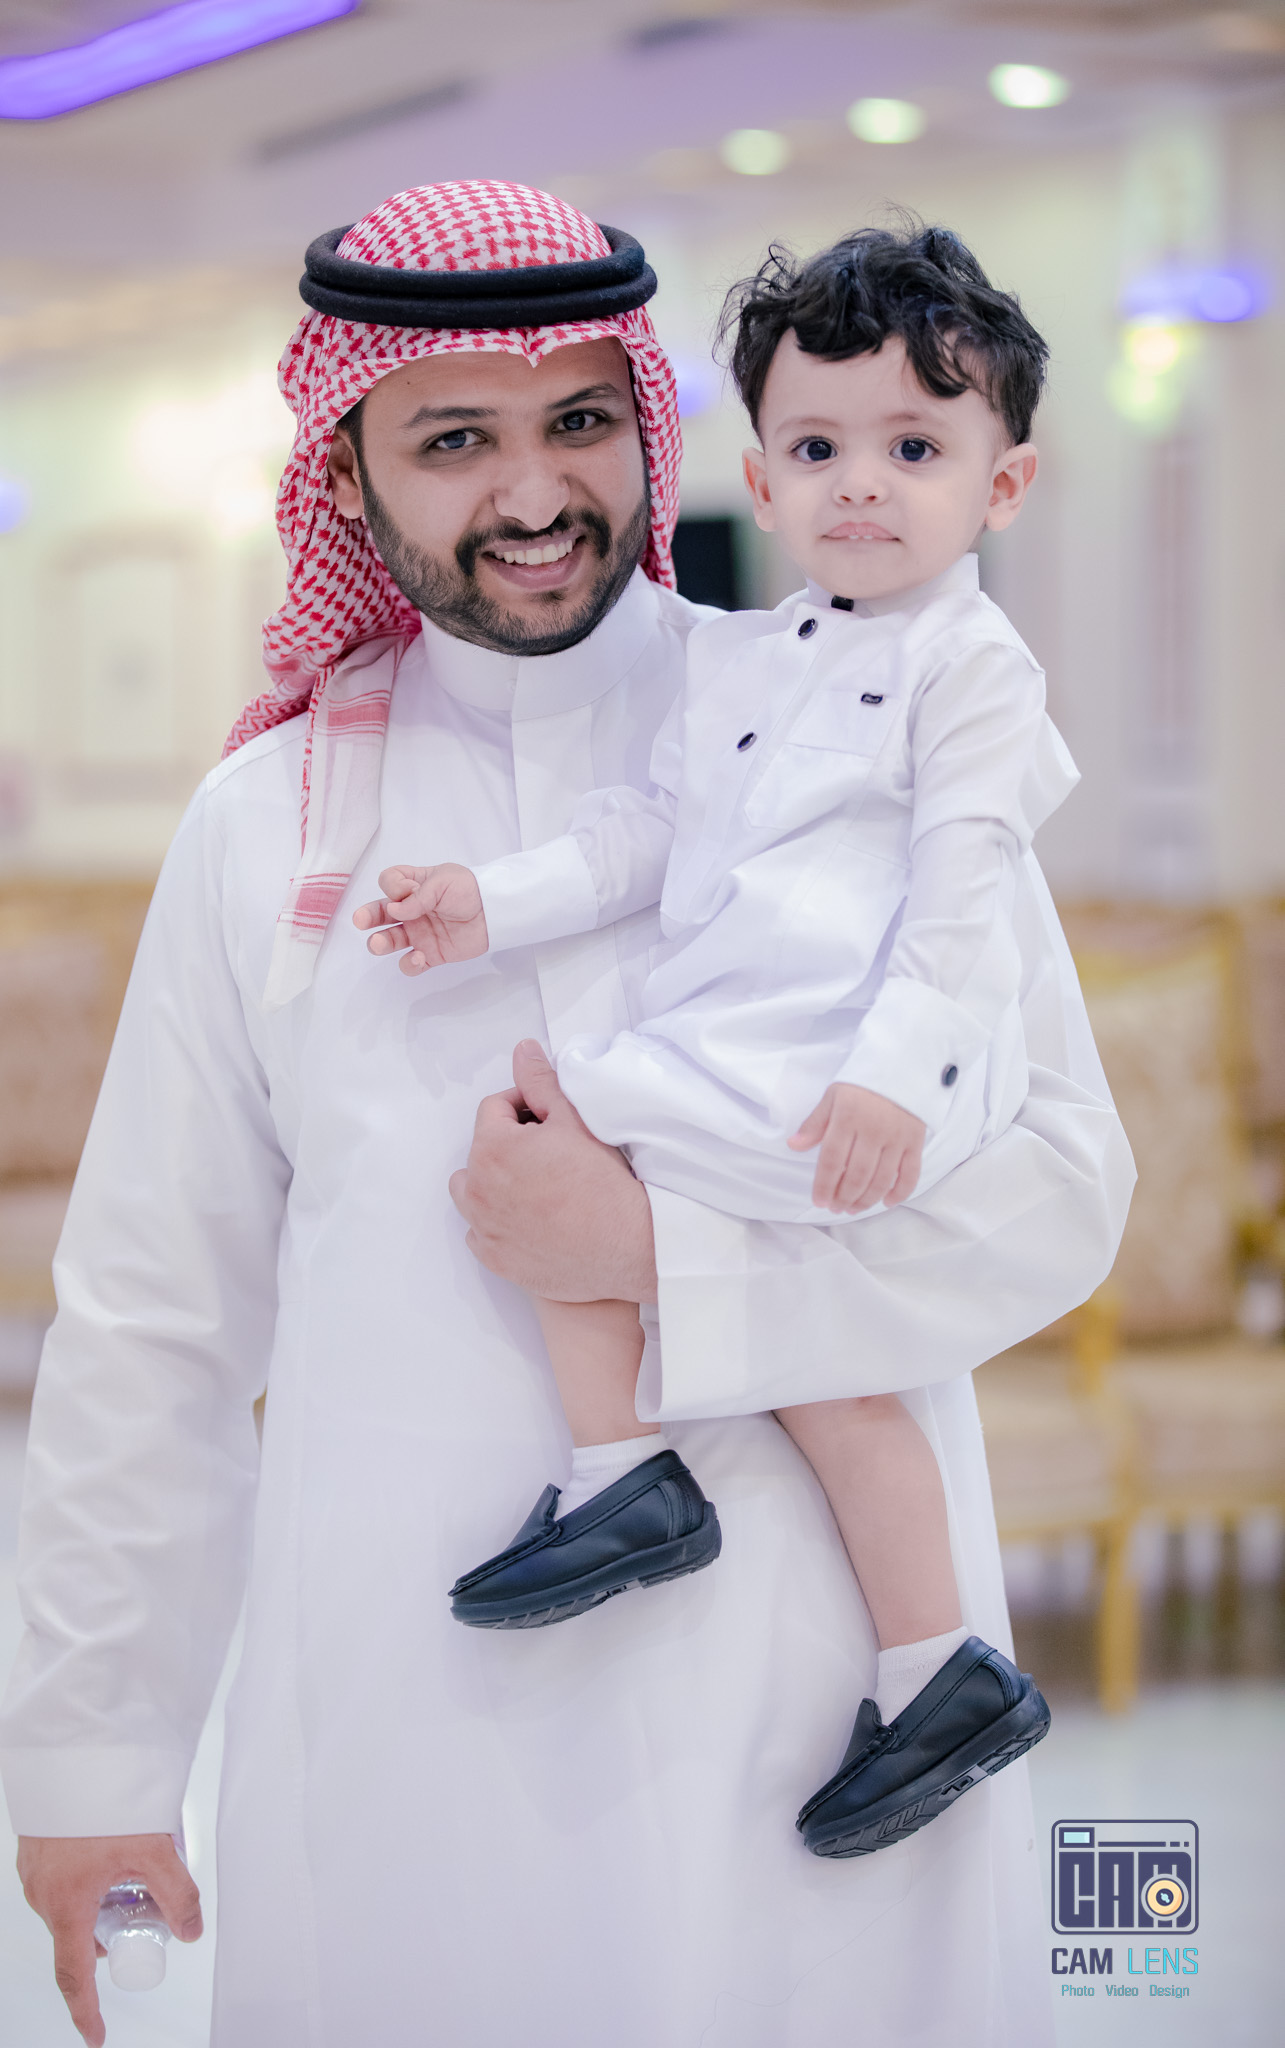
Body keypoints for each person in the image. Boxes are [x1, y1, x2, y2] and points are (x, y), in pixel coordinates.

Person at [1, 182, 1132, 2048]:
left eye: (581, 421)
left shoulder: (855, 715)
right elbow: (156, 1322)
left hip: (811, 1713)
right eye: (453, 439)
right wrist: (98, 1758)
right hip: (414, 1720)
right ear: (348, 468)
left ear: (655, 434)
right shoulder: (266, 828)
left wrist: (661, 1259)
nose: (532, 493)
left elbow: (1062, 1193)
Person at [356, 223, 1073, 1857]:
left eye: (913, 449)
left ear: (1003, 485)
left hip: (841, 1069)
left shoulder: (976, 668)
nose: (859, 485)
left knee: (567, 1162)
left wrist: (893, 1074)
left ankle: (645, 1491)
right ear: (757, 475)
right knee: (794, 1352)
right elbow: (642, 835)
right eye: (816, 450)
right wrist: (486, 901)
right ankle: (912, 1652)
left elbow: (967, 887)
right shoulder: (736, 656)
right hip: (741, 1041)